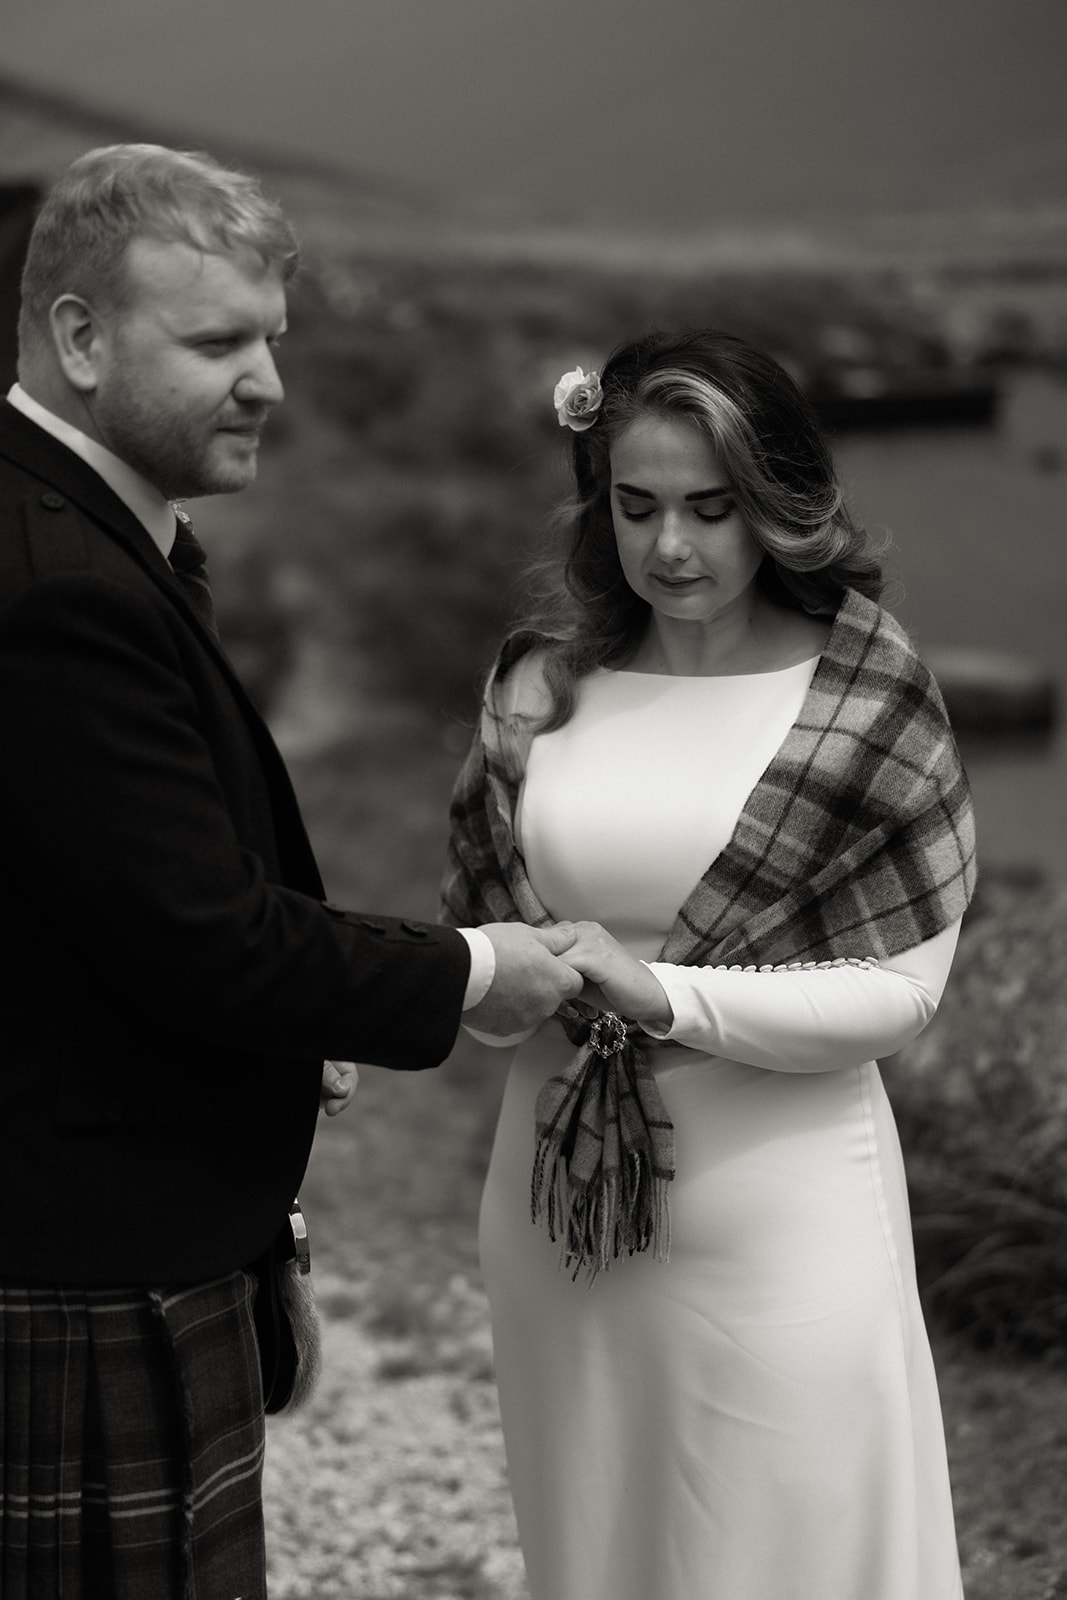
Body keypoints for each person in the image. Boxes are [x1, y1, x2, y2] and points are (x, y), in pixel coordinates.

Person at [0, 143, 582, 1600]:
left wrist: (297, 1018)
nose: (266, 379)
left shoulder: (86, 534)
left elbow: (95, 900)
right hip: (80, 1257)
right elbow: (199, 940)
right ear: (78, 337)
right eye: (215, 342)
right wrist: (467, 974)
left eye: (271, 337)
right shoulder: (57, 581)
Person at [443, 329, 976, 1600]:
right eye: (634, 507)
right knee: (599, 1550)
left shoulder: (866, 696)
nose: (669, 547)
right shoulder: (540, 688)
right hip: (557, 1211)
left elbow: (898, 996)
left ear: (778, 504)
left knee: (789, 1553)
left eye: (708, 509)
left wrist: (658, 991)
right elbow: (484, 967)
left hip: (784, 1225)